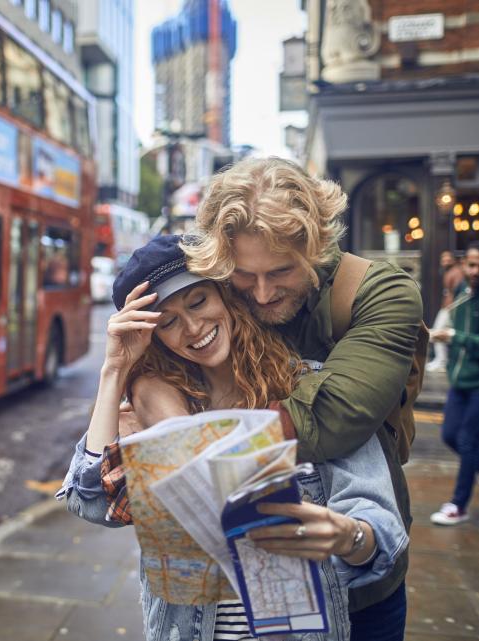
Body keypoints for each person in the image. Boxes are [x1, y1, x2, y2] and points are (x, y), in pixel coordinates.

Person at [59, 234, 408, 641]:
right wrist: (114, 371)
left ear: (226, 295)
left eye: (198, 301)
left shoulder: (309, 386)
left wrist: (348, 536)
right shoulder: (158, 408)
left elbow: (380, 529)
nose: (193, 328)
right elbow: (91, 502)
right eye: (168, 321)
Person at [181, 157, 422, 641]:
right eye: (245, 276)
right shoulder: (217, 295)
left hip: (357, 581)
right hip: (238, 588)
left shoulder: (384, 293)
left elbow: (331, 418)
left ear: (318, 245)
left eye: (282, 270)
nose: (264, 293)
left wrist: (186, 443)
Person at [429, 242, 479, 526]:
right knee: (449, 435)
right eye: (471, 264)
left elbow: (463, 336)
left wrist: (454, 337)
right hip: (460, 382)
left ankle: (459, 505)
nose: (475, 270)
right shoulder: (464, 293)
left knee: (468, 441)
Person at [426, 250, 466, 372]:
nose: (445, 261)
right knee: (439, 332)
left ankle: (442, 361)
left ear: (453, 260)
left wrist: (452, 309)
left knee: (438, 332)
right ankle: (440, 360)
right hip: (447, 308)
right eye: (443, 259)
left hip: (450, 309)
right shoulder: (448, 272)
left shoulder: (457, 272)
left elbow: (458, 293)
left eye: (448, 259)